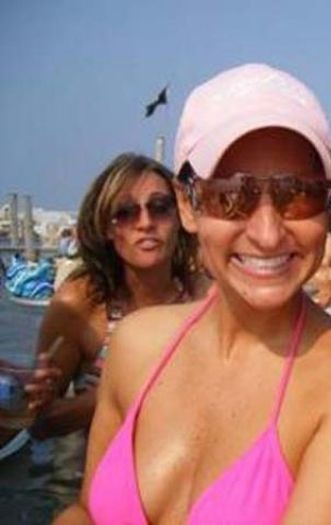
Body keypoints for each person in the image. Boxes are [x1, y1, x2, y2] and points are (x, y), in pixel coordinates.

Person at [56, 63, 331, 524]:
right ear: (188, 204)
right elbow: (85, 511)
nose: (267, 233)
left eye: (298, 194)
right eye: (231, 195)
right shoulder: (136, 345)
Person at [31, 153, 203, 443]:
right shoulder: (79, 305)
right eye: (125, 212)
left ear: (180, 216)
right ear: (107, 227)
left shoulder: (206, 297)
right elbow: (40, 423)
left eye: (160, 208)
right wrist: (124, 388)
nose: (145, 223)